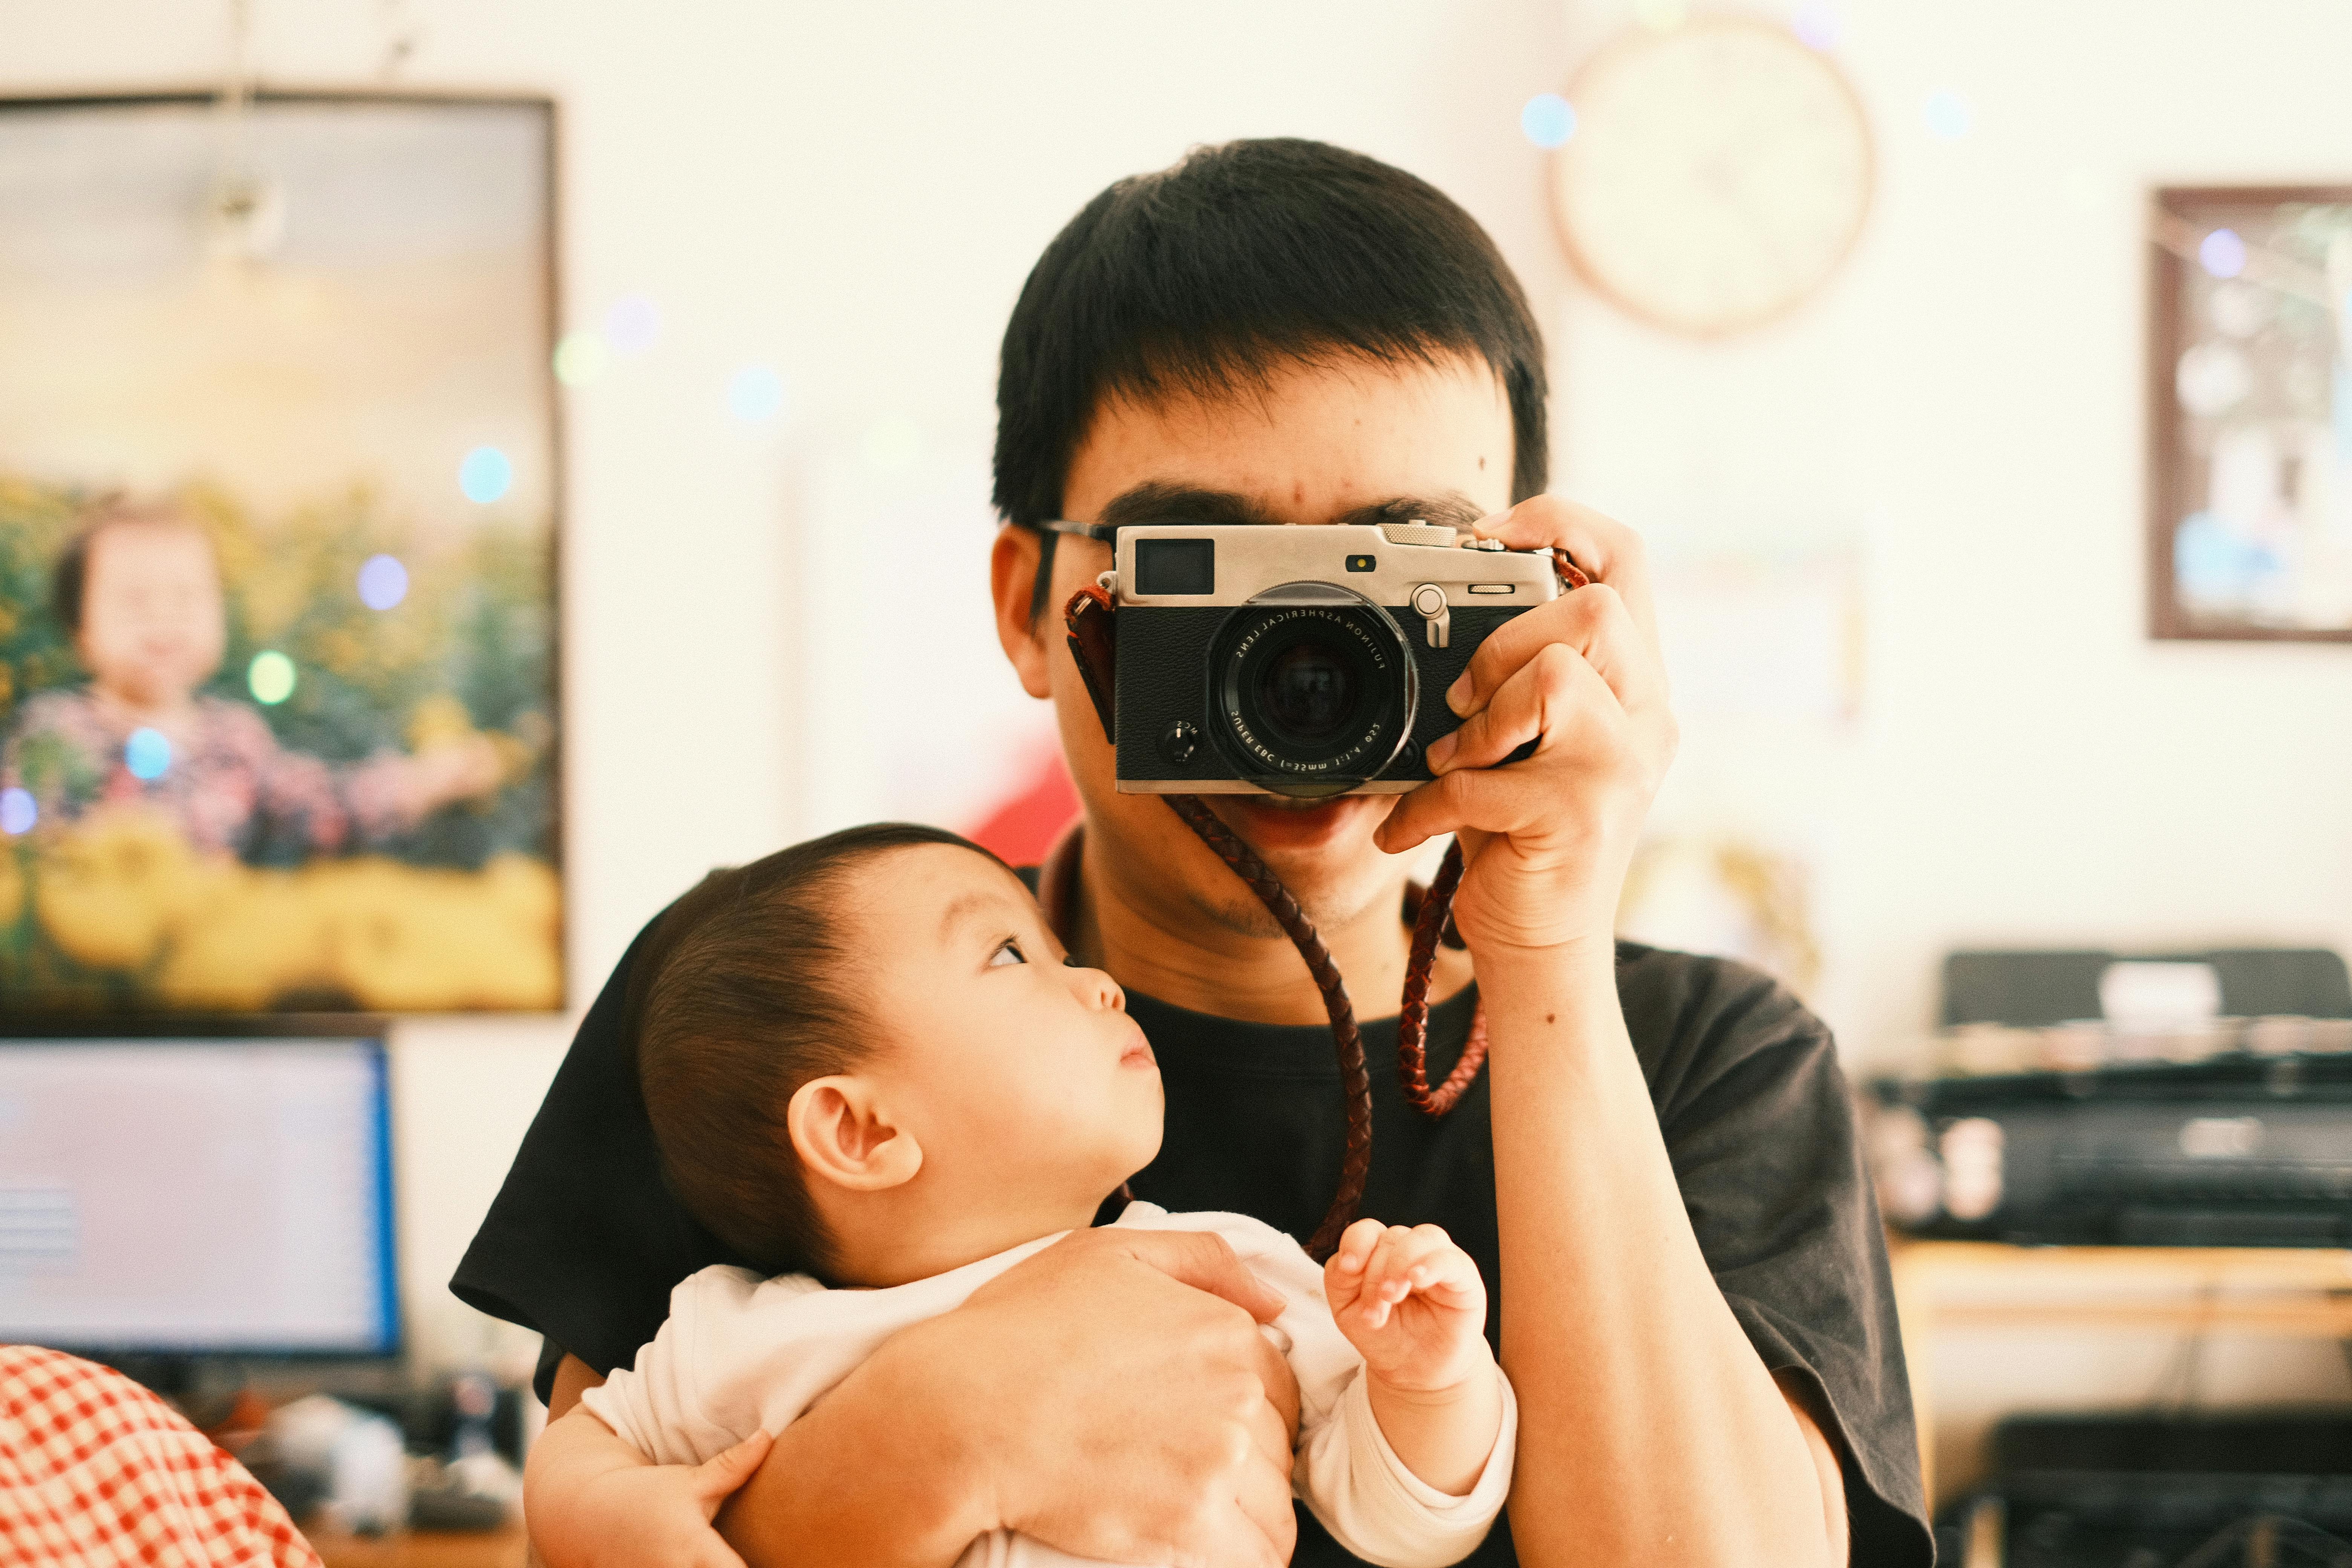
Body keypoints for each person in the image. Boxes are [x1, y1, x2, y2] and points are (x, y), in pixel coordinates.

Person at [457, 138, 1933, 1567]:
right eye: (1194, 577)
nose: (1304, 667)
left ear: (1527, 594)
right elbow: (602, 1523)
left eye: (1394, 570)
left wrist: (1546, 934)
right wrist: (924, 1440)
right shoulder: (807, 998)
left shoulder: (1712, 1059)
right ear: (1031, 605)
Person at [524, 824, 1517, 1568]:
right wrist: (616, 1526)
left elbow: (1404, 1521)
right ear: (862, 1131)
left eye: (1056, 947)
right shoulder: (737, 1337)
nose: (1098, 983)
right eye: (1011, 955)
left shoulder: (1225, 1270)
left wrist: (1426, 1382)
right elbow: (584, 1452)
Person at [1, 497, 498, 861]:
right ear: (79, 629)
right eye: (134, 601)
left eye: (187, 597)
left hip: (208, 972)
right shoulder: (55, 732)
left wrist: (422, 782)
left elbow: (322, 808)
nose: (164, 621)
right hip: (85, 978)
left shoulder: (233, 739)